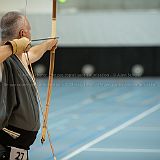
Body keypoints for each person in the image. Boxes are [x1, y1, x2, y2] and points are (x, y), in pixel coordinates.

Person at [0, 11, 58, 160]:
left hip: (18, 148)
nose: (31, 34)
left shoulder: (21, 59)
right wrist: (13, 46)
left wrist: (47, 44)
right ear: (22, 33)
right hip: (4, 147)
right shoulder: (4, 63)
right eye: (30, 30)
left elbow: (32, 53)